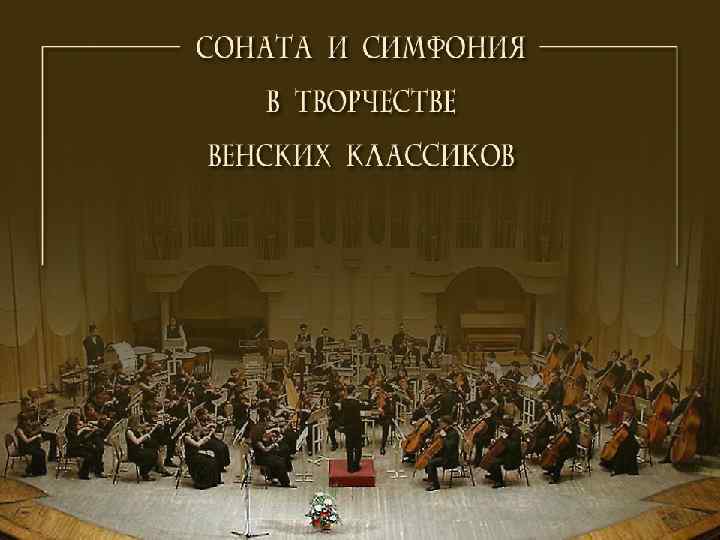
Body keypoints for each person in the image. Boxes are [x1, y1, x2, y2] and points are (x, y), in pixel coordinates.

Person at [482, 415, 522, 489]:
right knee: (488, 457)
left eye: (505, 426)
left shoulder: (516, 432)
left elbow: (513, 447)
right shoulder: (509, 431)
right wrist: (495, 441)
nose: (504, 428)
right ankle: (494, 475)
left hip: (512, 457)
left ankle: (500, 482)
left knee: (494, 462)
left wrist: (504, 439)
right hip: (506, 453)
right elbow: (502, 442)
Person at [424, 416, 460, 492]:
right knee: (428, 457)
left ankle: (435, 485)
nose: (439, 424)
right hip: (444, 455)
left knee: (431, 463)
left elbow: (449, 446)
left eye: (441, 422)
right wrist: (430, 441)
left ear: (446, 423)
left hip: (450, 458)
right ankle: (431, 477)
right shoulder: (444, 430)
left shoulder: (454, 433)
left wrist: (444, 437)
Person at [544, 409, 580, 484]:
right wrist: (562, 426)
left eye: (567, 418)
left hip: (570, 449)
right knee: (555, 454)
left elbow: (576, 439)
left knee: (559, 459)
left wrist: (570, 432)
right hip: (563, 447)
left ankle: (556, 478)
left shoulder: (575, 427)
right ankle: (551, 470)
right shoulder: (567, 424)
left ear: (571, 419)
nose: (565, 419)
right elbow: (560, 432)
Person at [65, 412, 105, 479]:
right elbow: (80, 439)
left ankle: (97, 470)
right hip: (73, 448)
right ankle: (83, 474)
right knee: (89, 454)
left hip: (77, 445)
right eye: (77, 420)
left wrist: (83, 426)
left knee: (96, 449)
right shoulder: (70, 430)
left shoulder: (72, 426)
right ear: (73, 421)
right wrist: (91, 432)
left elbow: (78, 432)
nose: (79, 422)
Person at [184, 421, 222, 489]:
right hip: (191, 456)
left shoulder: (194, 434)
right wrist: (204, 439)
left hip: (196, 453)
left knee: (213, 459)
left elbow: (200, 443)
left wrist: (205, 450)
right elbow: (197, 444)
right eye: (195, 427)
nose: (197, 428)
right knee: (207, 462)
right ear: (191, 428)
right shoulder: (187, 437)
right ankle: (203, 482)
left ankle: (213, 481)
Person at [126, 416, 159, 481]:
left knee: (153, 451)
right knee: (153, 455)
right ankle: (144, 473)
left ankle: (144, 472)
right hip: (133, 453)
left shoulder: (134, 429)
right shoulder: (129, 431)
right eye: (137, 423)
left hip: (137, 450)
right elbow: (136, 442)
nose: (138, 424)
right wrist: (144, 436)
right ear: (133, 423)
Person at [339, 385, 363, 473]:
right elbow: (365, 407)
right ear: (353, 391)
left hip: (347, 427)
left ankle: (350, 467)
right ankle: (356, 465)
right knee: (358, 447)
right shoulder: (356, 402)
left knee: (349, 448)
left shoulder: (343, 402)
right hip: (356, 427)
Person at [378, 383, 396, 455]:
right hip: (384, 417)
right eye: (387, 393)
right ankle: (382, 446)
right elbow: (380, 408)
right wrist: (380, 408)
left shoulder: (394, 398)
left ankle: (392, 436)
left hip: (392, 417)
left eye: (390, 393)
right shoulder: (382, 398)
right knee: (386, 424)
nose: (389, 394)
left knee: (390, 422)